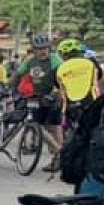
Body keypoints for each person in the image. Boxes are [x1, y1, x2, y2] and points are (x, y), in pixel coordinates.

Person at [12, 33, 65, 170]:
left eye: (45, 48)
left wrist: (57, 93)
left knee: (54, 127)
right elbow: (18, 74)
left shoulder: (55, 60)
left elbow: (62, 78)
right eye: (39, 48)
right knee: (37, 126)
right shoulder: (30, 61)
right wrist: (10, 88)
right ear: (34, 49)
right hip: (36, 97)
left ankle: (59, 158)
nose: (43, 51)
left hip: (54, 96)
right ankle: (60, 152)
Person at [57, 37, 104, 129]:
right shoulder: (91, 64)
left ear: (64, 55)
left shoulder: (60, 69)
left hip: (70, 106)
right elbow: (103, 83)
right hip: (91, 102)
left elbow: (61, 92)